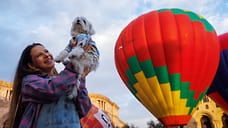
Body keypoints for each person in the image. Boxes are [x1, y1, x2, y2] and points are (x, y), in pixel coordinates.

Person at [7, 43, 92, 128]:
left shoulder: (65, 80)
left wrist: (81, 77)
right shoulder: (28, 83)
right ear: (31, 65)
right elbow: (52, 90)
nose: (46, 55)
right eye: (39, 55)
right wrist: (75, 64)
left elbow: (84, 108)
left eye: (46, 51)